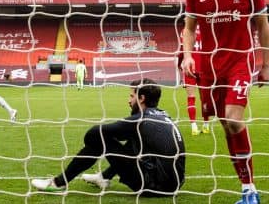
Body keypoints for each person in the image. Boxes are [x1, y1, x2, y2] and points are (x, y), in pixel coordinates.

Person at [181, 0, 269, 204]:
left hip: (239, 62)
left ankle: (251, 188)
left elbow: (262, 24)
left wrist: (265, 64)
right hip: (209, 66)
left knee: (234, 120)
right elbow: (189, 27)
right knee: (224, 125)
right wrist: (187, 56)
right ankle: (244, 187)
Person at [31, 78, 185, 195]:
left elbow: (94, 133)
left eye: (132, 96)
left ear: (142, 98)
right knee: (135, 139)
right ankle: (104, 177)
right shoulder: (164, 115)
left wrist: (96, 146)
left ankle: (58, 183)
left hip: (154, 186)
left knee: (100, 139)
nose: (129, 101)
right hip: (174, 185)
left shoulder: (140, 119)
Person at [179, 24, 210, 136]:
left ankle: (193, 127)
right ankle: (206, 125)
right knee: (205, 98)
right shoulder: (207, 28)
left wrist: (179, 64)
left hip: (189, 68)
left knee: (191, 98)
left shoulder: (185, 30)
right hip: (204, 68)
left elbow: (182, 51)